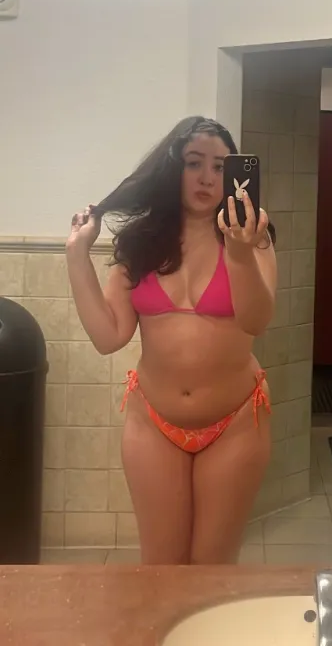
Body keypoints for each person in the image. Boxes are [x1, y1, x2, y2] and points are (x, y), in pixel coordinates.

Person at [66, 116, 277, 564]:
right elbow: (108, 336)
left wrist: (239, 252)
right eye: (193, 163)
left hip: (235, 423)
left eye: (219, 167)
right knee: (161, 569)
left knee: (212, 568)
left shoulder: (253, 237)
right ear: (172, 168)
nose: (207, 178)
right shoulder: (141, 244)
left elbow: (257, 320)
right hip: (153, 423)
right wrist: (76, 254)